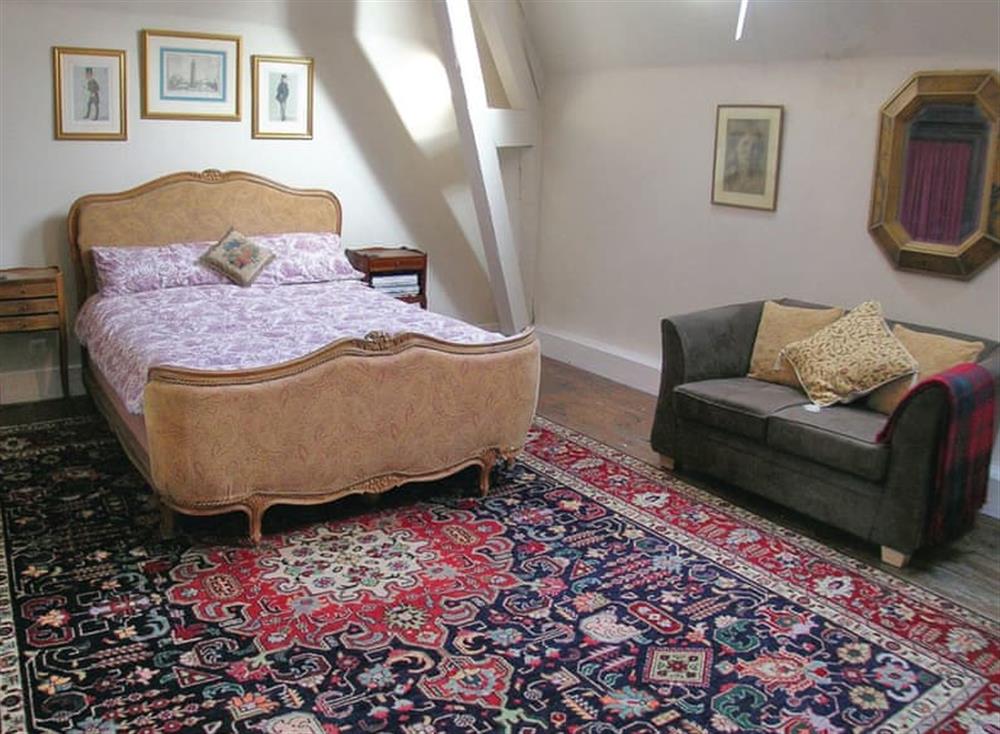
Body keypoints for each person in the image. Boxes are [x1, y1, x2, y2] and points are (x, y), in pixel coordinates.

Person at [723, 125, 766, 195]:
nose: (749, 150)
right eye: (745, 144)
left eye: (755, 146)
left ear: (760, 153)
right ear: (736, 149)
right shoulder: (727, 180)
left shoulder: (764, 182)